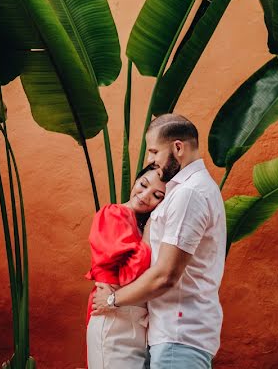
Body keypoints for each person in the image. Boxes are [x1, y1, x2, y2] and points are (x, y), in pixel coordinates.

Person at [92, 113, 226, 369]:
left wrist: (112, 300)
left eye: (154, 152)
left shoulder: (189, 194)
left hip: (179, 334)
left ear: (177, 147)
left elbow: (166, 275)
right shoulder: (190, 189)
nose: (150, 160)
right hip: (174, 334)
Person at [85, 164, 166, 369]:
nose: (145, 195)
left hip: (136, 322)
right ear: (136, 180)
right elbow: (128, 274)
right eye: (143, 184)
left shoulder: (142, 224)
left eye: (157, 195)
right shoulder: (114, 214)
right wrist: (147, 237)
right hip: (114, 320)